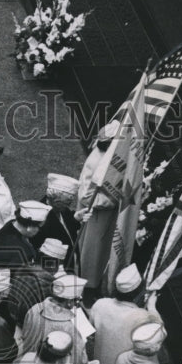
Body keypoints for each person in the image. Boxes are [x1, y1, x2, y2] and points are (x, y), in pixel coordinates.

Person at [90, 264, 160, 364]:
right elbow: (158, 334)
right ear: (139, 292)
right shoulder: (142, 317)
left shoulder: (100, 304)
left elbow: (92, 330)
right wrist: (152, 307)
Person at [75, 121, 120, 291]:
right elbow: (86, 196)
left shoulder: (106, 155)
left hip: (105, 217)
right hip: (95, 217)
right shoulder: (97, 162)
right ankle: (88, 285)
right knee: (93, 253)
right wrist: (113, 201)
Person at [19, 273, 90, 364]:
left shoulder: (34, 309)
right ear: (69, 302)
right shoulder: (70, 326)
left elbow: (25, 336)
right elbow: (79, 361)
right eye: (77, 300)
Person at [34, 173, 82, 272]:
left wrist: (76, 218)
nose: (69, 205)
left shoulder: (61, 209)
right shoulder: (41, 217)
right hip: (55, 269)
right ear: (56, 201)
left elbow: (68, 227)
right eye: (67, 203)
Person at [0, 200, 49, 268]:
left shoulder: (11, 224)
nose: (40, 231)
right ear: (29, 227)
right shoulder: (20, 250)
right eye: (39, 227)